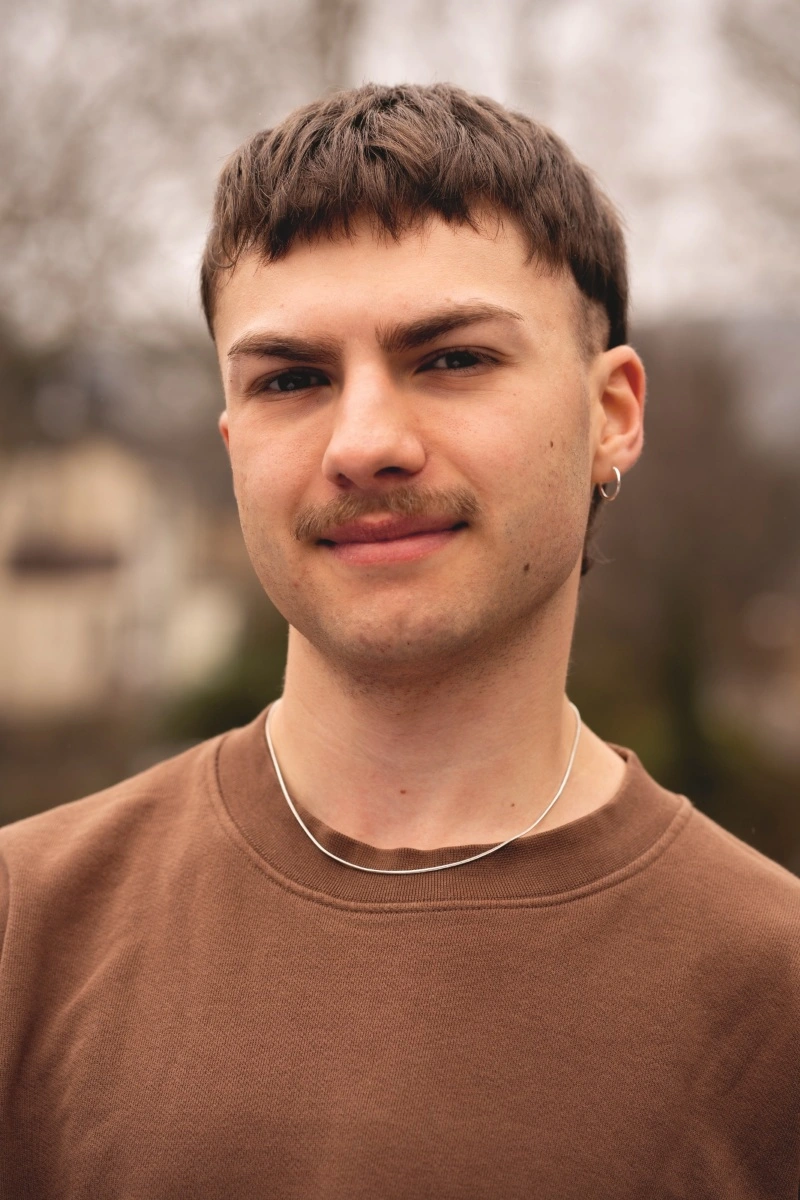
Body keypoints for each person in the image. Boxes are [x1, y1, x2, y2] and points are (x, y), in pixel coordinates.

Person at [1, 83, 798, 1200]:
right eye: (291, 380)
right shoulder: (23, 928)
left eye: (451, 359)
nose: (364, 443)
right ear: (232, 443)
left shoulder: (771, 997)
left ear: (611, 411)